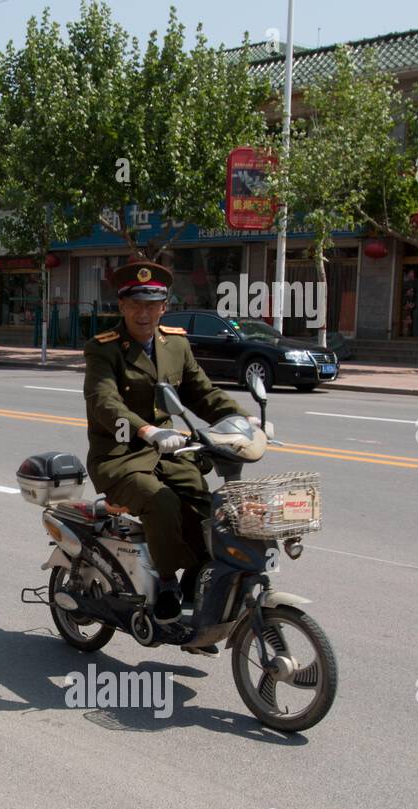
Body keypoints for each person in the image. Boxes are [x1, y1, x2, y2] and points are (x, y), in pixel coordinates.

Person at [82, 259, 274, 632]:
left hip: (171, 453)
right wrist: (147, 431)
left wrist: (243, 418)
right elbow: (104, 403)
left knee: (209, 509)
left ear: (164, 306)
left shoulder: (175, 344)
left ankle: (199, 578)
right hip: (120, 457)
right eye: (135, 304)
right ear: (121, 306)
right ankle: (167, 583)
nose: (144, 313)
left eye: (152, 305)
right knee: (161, 502)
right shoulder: (103, 349)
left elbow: (202, 392)